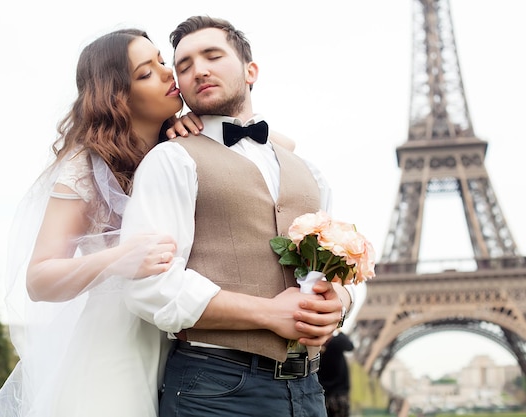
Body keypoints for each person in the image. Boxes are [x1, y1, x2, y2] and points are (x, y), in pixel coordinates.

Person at [0, 27, 315, 417]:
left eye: (161, 61)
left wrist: (204, 124)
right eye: (146, 73)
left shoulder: (177, 148)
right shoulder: (85, 168)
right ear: (116, 97)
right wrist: (117, 260)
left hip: (193, 348)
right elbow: (39, 279)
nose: (168, 75)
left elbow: (280, 145)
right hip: (120, 345)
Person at [119, 16, 356, 417]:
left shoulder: (308, 171)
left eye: (213, 55)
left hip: (308, 390)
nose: (200, 70)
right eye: (185, 65)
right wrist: (267, 313)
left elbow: (335, 270)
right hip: (215, 388)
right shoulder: (171, 160)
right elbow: (147, 285)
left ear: (251, 71)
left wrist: (342, 302)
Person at [318, 332, 355, 417]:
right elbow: (350, 346)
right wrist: (339, 331)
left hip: (329, 394)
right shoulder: (337, 342)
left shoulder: (334, 344)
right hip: (336, 394)